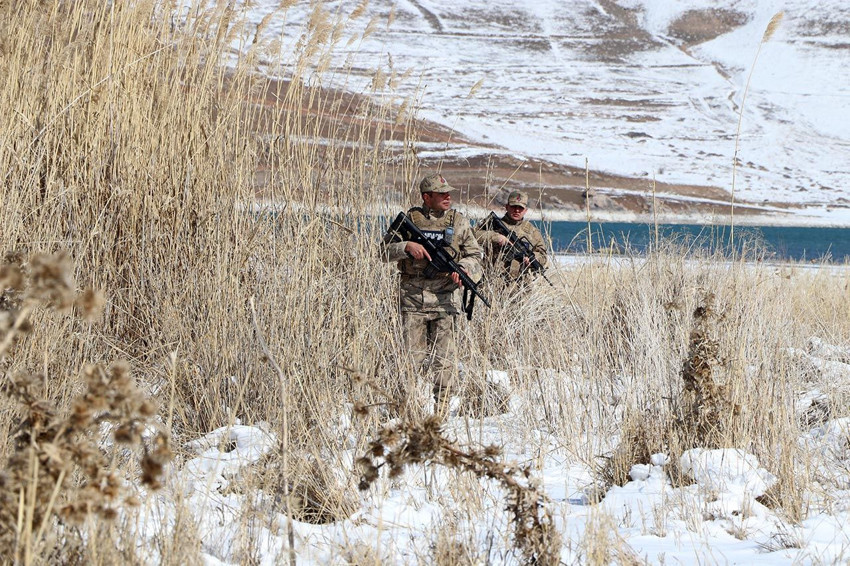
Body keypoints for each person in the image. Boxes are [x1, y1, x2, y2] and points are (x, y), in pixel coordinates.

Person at [380, 173, 483, 415]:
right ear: (427, 197)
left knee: (445, 362)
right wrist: (406, 247)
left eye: (449, 193)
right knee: (410, 359)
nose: (448, 197)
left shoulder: (458, 221)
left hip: (445, 301)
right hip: (412, 299)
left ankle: (442, 412)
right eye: (441, 193)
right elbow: (383, 251)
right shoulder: (409, 220)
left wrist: (466, 268)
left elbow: (475, 255)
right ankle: (403, 410)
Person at [475, 190, 548, 282]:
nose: (517, 210)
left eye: (520, 208)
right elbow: (473, 235)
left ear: (525, 210)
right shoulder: (493, 225)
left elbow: (543, 256)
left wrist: (533, 258)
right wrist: (494, 237)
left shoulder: (532, 232)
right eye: (513, 207)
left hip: (520, 286)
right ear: (507, 207)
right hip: (492, 281)